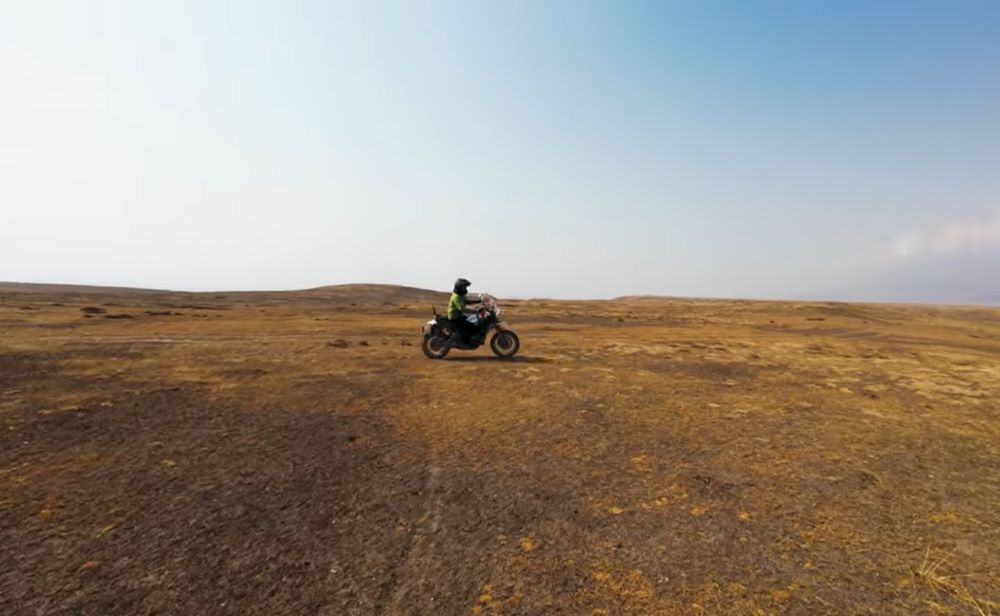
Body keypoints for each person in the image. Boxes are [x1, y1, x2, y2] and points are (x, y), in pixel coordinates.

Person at [447, 278, 481, 344]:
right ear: (459, 287)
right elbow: (462, 308)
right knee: (470, 326)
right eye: (464, 287)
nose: (465, 288)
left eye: (465, 287)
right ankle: (466, 342)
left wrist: (477, 301)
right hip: (455, 317)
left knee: (473, 320)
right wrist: (476, 311)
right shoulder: (456, 296)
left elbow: (466, 301)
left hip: (459, 315)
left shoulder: (460, 295)